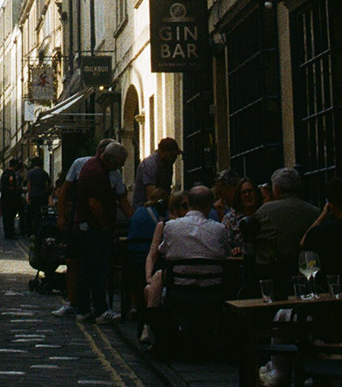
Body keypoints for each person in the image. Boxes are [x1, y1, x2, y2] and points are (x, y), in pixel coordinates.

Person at [142, 184, 230, 347]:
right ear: (208, 205)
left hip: (179, 288)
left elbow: (165, 252)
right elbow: (225, 254)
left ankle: (154, 329)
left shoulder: (171, 227)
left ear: (188, 202)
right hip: (212, 288)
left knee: (159, 275)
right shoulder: (220, 229)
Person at [60, 142, 126, 322]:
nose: (118, 168)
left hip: (84, 226)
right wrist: (105, 225)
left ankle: (83, 309)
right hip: (93, 228)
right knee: (98, 269)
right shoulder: (97, 172)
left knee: (86, 269)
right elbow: (94, 204)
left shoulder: (90, 165)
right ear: (111, 159)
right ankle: (100, 310)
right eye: (119, 164)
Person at [251, 166, 320, 284]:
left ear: (276, 189)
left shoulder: (265, 211)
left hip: (271, 276)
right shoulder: (314, 212)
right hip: (307, 273)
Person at [123, 185, 168, 320]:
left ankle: (134, 303)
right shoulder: (164, 216)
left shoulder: (139, 211)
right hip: (149, 256)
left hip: (133, 255)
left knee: (134, 274)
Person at [132, 137, 181, 207]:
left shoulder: (167, 163)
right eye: (172, 155)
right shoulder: (150, 164)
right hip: (146, 209)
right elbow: (151, 195)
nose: (175, 158)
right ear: (162, 152)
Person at [25, 158, 51, 237]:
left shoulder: (31, 173)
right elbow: (47, 185)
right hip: (42, 197)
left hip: (33, 196)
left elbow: (29, 185)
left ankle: (34, 232)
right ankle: (42, 231)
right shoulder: (44, 173)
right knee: (43, 214)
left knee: (33, 215)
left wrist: (29, 195)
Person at [0, 165, 22, 239]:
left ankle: (7, 233)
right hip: (11, 198)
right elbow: (11, 180)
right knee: (11, 216)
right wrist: (12, 187)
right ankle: (11, 233)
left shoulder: (4, 173)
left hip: (4, 197)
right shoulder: (11, 173)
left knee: (5, 217)